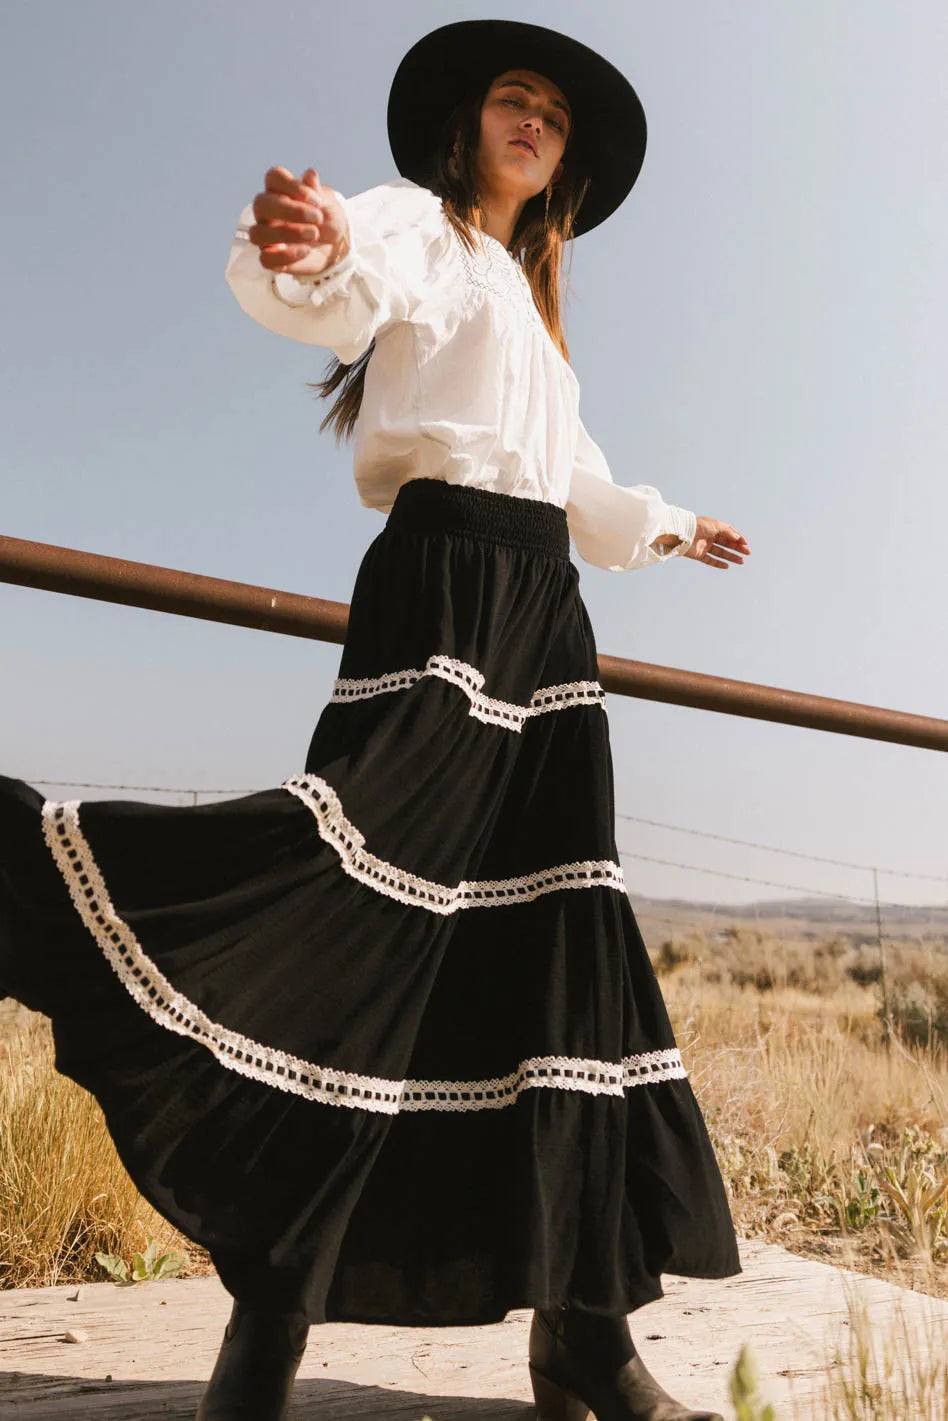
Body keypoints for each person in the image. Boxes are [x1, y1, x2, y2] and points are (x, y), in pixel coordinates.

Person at [0, 20, 750, 1421]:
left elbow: (574, 477)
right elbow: (345, 270)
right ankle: (267, 1330)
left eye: (554, 117)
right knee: (366, 921)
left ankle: (583, 1337)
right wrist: (308, 243)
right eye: (516, 99)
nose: (536, 122)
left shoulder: (533, 311)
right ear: (470, 127)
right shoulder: (418, 226)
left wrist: (670, 522)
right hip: (442, 595)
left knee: (556, 945)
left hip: (546, 618)